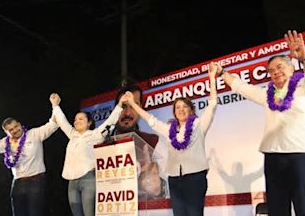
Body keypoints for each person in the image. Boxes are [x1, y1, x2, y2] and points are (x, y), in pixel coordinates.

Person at [217, 30, 305, 216]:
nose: (276, 72)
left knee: (304, 209)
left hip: (300, 156)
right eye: (271, 70)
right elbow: (242, 87)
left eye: (280, 67)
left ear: (292, 69)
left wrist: (304, 57)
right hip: (273, 157)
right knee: (277, 210)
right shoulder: (268, 96)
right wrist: (221, 72)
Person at [124, 62, 219, 216]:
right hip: (175, 180)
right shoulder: (169, 130)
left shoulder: (199, 125)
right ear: (174, 113)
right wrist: (133, 104)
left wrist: (212, 78)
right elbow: (151, 120)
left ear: (191, 110)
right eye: (178, 108)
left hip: (195, 178)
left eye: (184, 107)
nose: (181, 110)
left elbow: (213, 103)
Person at [0, 113, 59, 216]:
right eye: (11, 130)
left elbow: (52, 125)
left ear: (20, 124)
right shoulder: (5, 143)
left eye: (16, 126)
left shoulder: (34, 134)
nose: (15, 130)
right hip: (17, 183)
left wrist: (55, 105)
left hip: (36, 181)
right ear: (6, 132)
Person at [49, 92, 129, 216]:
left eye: (81, 119)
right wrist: (55, 105)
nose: (76, 121)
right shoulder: (72, 135)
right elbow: (62, 121)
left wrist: (120, 104)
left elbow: (111, 120)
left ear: (89, 123)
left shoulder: (96, 135)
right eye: (75, 120)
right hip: (72, 182)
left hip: (88, 180)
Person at [111, 82, 168, 200]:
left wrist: (158, 187)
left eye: (133, 105)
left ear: (140, 108)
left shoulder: (153, 142)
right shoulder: (102, 145)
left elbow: (166, 188)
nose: (127, 113)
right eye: (123, 106)